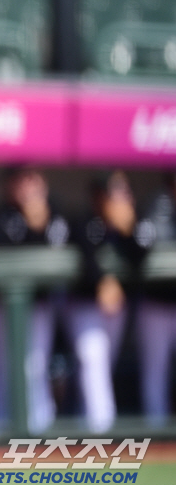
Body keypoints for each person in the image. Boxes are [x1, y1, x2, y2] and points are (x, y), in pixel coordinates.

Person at [0, 167, 70, 433]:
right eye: (19, 181)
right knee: (1, 370)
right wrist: (31, 224)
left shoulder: (57, 215)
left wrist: (39, 225)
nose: (26, 188)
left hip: (39, 304)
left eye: (31, 180)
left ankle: (40, 428)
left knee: (36, 368)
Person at [70, 170, 153, 433]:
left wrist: (129, 230)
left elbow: (142, 255)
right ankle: (102, 432)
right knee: (92, 361)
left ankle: (93, 427)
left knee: (102, 366)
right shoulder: (86, 222)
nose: (120, 198)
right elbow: (84, 254)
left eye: (125, 192)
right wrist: (103, 280)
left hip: (117, 308)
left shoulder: (133, 222)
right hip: (83, 305)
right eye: (113, 193)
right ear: (99, 197)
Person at [138, 172, 176, 427]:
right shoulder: (155, 207)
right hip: (156, 302)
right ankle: (156, 435)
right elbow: (141, 245)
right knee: (155, 372)